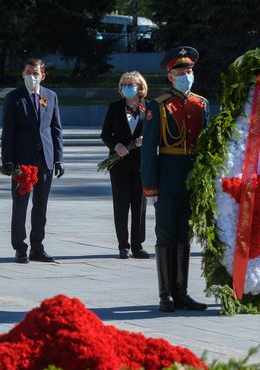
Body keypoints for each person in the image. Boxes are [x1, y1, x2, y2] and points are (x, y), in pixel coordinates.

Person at [141, 46, 209, 312]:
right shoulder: (158, 106)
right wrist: (150, 186)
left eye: (189, 70)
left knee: (184, 235)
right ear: (170, 76)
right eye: (180, 71)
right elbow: (148, 151)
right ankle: (165, 294)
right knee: (166, 234)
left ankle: (182, 292)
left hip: (191, 177)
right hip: (168, 175)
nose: (186, 75)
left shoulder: (200, 104)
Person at [2, 59, 64, 264]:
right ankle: (20, 248)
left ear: (43, 75)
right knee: (20, 206)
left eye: (36, 73)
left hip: (44, 159)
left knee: (41, 206)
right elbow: (8, 132)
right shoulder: (14, 98)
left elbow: (56, 129)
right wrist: (8, 160)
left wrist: (58, 158)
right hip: (22, 161)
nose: (32, 76)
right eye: (28, 72)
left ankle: (37, 247)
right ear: (22, 74)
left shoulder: (51, 96)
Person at [100, 71, 150, 260]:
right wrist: (116, 145)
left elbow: (157, 132)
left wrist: (147, 139)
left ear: (140, 87)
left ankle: (138, 245)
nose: (127, 87)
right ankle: (123, 246)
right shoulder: (114, 108)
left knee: (139, 206)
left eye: (131, 84)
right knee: (121, 205)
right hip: (119, 164)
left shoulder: (149, 107)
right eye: (124, 84)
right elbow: (105, 134)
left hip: (141, 164)